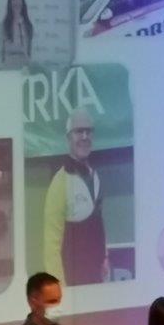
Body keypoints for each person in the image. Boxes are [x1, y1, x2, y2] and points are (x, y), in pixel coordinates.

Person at [43, 108, 110, 286]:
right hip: (73, 284)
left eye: (88, 131)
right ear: (68, 138)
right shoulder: (59, 183)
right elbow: (51, 247)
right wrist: (58, 288)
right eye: (79, 131)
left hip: (97, 279)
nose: (85, 136)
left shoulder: (95, 176)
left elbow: (99, 223)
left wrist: (105, 257)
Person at [1, 0, 33, 69]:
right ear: (10, 2)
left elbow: (28, 53)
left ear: (22, 1)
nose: (16, 2)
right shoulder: (5, 24)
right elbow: (5, 53)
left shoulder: (28, 25)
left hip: (24, 70)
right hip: (8, 70)